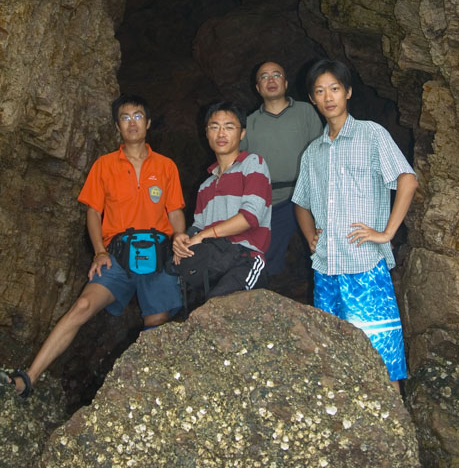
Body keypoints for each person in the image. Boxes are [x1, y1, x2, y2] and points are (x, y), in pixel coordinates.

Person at [4, 93, 186, 397]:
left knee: (157, 322)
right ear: (117, 126)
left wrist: (179, 236)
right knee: (82, 306)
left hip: (158, 253)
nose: (132, 123)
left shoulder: (166, 166)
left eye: (138, 116)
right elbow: (93, 212)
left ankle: (148, 394)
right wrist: (100, 251)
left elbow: (175, 210)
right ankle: (29, 378)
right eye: (125, 118)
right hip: (117, 254)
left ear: (148, 123)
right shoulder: (104, 166)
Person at [292, 59, 418, 391]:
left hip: (365, 264)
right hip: (327, 268)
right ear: (312, 98)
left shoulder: (371, 134)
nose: (328, 97)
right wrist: (311, 237)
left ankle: (395, 421)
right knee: (335, 360)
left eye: (334, 88)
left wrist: (387, 233)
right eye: (320, 91)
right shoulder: (313, 153)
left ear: (347, 92)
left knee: (382, 360)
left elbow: (407, 179)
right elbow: (301, 202)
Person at [173, 101, 271, 299]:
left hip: (246, 259)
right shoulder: (206, 185)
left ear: (242, 133)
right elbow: (198, 227)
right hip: (212, 262)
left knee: (218, 305)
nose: (221, 133)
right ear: (206, 133)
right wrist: (182, 242)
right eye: (214, 127)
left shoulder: (253, 164)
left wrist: (203, 236)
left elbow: (250, 217)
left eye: (229, 127)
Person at [241, 61, 322, 275]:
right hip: (272, 201)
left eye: (276, 75)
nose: (271, 80)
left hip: (308, 195)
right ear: (257, 88)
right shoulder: (249, 124)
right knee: (263, 259)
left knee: (323, 246)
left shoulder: (306, 112)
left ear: (285, 83)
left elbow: (321, 154)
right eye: (264, 77)